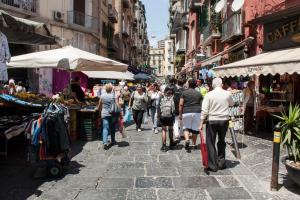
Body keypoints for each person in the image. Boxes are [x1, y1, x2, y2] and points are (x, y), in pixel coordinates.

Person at [199, 78, 234, 172]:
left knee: (210, 142)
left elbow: (205, 110)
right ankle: (221, 162)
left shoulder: (209, 95)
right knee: (222, 141)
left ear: (213, 85)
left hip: (212, 120)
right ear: (221, 84)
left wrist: (201, 123)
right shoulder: (227, 93)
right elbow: (232, 103)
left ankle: (212, 165)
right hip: (224, 120)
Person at [179, 79, 203, 152]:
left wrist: (180, 114)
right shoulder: (199, 93)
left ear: (188, 84)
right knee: (195, 129)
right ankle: (194, 144)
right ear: (196, 85)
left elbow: (181, 104)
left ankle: (187, 140)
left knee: (186, 127)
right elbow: (202, 104)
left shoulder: (184, 93)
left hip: (186, 111)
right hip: (197, 112)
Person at [97, 83, 120, 150]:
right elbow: (117, 105)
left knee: (105, 128)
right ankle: (113, 140)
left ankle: (105, 142)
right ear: (111, 89)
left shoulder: (102, 96)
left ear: (105, 89)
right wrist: (120, 113)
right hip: (112, 114)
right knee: (112, 127)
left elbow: (99, 105)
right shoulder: (113, 96)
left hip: (104, 114)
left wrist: (98, 110)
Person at [158, 86, 176, 152]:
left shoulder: (161, 97)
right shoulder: (173, 97)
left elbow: (158, 107)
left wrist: (158, 116)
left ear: (165, 91)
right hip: (170, 116)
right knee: (171, 129)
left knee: (164, 130)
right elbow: (174, 108)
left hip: (163, 116)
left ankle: (164, 146)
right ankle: (171, 143)